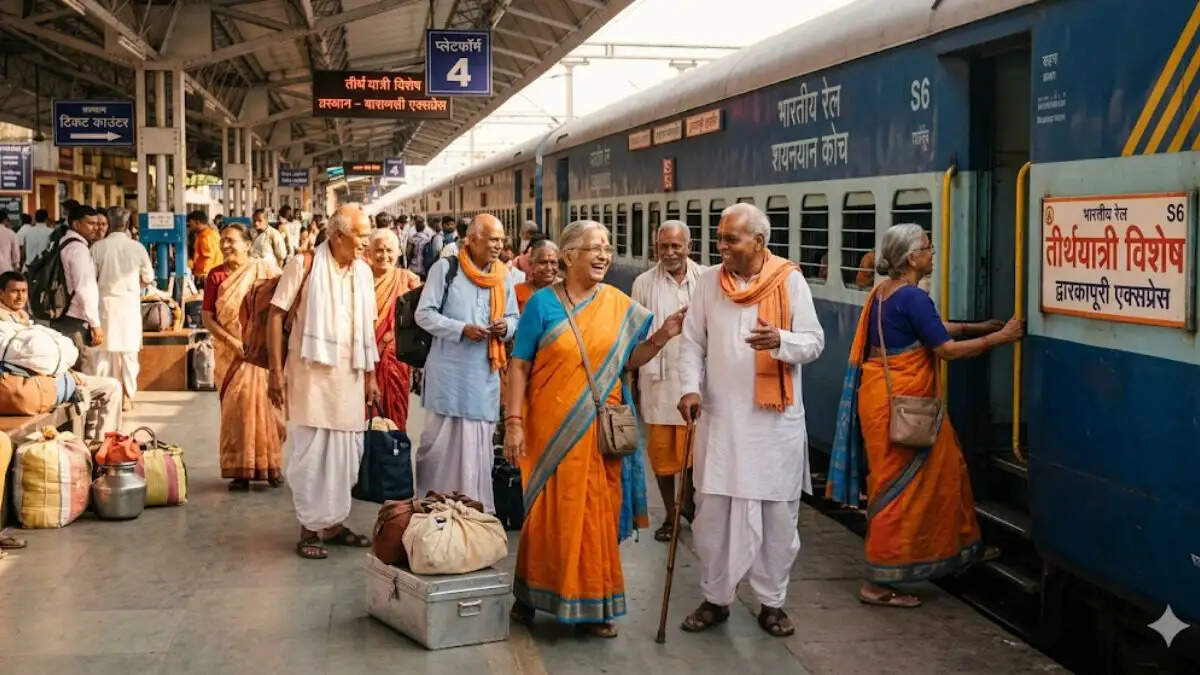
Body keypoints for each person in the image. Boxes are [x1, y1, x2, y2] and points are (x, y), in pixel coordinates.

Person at [825, 223, 1022, 608]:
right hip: (906, 405)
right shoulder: (913, 297)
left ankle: (961, 548)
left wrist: (974, 326)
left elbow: (929, 330)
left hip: (884, 400)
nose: (933, 253)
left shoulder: (884, 293)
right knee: (896, 493)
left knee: (945, 472)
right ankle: (878, 584)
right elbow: (945, 350)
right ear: (912, 258)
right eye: (928, 248)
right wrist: (999, 339)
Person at [503, 220, 684, 638]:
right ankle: (531, 593)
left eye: (607, 247)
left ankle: (597, 603)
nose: (603, 255)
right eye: (593, 248)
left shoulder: (619, 305)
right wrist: (513, 423)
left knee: (597, 517)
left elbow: (627, 361)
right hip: (550, 431)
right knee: (547, 515)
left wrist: (662, 338)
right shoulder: (542, 305)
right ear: (568, 256)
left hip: (599, 435)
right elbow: (520, 365)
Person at [677, 203, 825, 638]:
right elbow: (691, 343)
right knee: (712, 515)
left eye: (730, 239)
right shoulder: (707, 284)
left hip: (772, 425)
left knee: (778, 518)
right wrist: (689, 388)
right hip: (721, 421)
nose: (720, 247)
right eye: (720, 239)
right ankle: (716, 598)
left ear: (759, 242)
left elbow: (814, 342)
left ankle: (772, 603)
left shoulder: (789, 281)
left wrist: (781, 340)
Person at [268, 205, 380, 560]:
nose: (367, 242)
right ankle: (309, 528)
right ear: (338, 235)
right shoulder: (303, 265)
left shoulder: (363, 272)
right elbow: (275, 316)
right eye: (361, 235)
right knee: (312, 454)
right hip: (310, 377)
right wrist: (274, 370)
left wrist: (371, 376)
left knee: (347, 454)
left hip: (348, 377)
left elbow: (368, 327)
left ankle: (333, 524)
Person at [415, 214, 518, 512]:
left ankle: (472, 520)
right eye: (492, 239)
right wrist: (461, 329)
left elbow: (514, 317)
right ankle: (435, 515)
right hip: (448, 377)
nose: (498, 245)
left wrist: (505, 327)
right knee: (439, 451)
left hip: (482, 377)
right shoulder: (445, 269)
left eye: (501, 239)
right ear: (472, 240)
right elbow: (425, 314)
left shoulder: (503, 276)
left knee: (477, 454)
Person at [630, 221, 704, 542]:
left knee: (692, 452)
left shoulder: (705, 279)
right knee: (661, 455)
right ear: (656, 248)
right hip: (658, 378)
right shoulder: (643, 283)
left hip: (694, 378)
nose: (670, 252)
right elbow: (636, 331)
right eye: (664, 247)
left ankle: (686, 505)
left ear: (689, 246)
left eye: (676, 246)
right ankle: (671, 516)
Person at [202, 225, 285, 490]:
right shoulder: (215, 276)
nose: (225, 245)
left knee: (269, 408)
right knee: (235, 409)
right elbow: (208, 317)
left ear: (248, 244)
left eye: (231, 241)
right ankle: (240, 470)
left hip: (261, 353)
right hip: (230, 354)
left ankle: (271, 466)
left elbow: (281, 311)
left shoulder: (267, 272)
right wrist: (232, 341)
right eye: (222, 241)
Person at [0, 271, 122, 442]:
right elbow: (26, 361)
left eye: (24, 291)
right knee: (95, 391)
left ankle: (104, 445)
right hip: (35, 386)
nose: (20, 296)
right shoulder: (3, 325)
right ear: (1, 293)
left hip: (55, 378)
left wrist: (68, 371)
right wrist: (66, 374)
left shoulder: (23, 317)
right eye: (15, 291)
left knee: (112, 386)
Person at [88, 206, 154, 411]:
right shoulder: (137, 248)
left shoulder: (98, 247)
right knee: (128, 354)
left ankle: (103, 396)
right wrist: (135, 286)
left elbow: (90, 278)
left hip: (104, 305)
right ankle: (127, 397)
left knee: (103, 354)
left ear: (108, 222)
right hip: (129, 307)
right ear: (127, 224)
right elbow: (148, 278)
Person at [368, 228, 420, 429]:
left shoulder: (407, 279)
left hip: (395, 358)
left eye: (389, 250)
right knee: (366, 416)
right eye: (379, 250)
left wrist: (390, 336)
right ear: (369, 252)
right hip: (364, 357)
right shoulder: (360, 279)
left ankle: (394, 453)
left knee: (395, 414)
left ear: (399, 252)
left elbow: (422, 317)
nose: (384, 256)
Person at [50, 204, 103, 363]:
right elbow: (83, 289)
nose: (95, 228)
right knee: (80, 367)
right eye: (90, 223)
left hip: (61, 313)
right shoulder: (78, 249)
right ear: (76, 224)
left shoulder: (62, 241)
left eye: (97, 223)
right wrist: (95, 324)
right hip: (75, 318)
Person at [513, 237, 558, 311]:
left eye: (553, 262)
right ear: (531, 264)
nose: (549, 268)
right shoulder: (518, 291)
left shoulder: (568, 290)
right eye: (543, 262)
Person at [188, 210, 223, 286]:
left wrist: (204, 275)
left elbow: (208, 257)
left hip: (206, 275)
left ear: (197, 222)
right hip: (209, 274)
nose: (189, 228)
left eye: (191, 224)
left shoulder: (206, 236)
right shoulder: (205, 234)